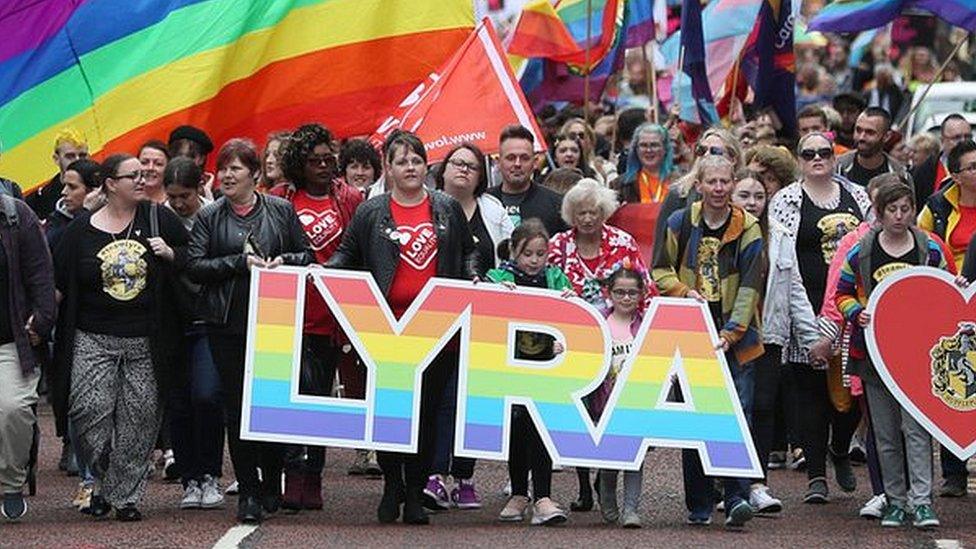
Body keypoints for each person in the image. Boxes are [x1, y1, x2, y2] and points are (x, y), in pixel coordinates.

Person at [326, 131, 479, 525]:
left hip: (437, 330)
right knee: (391, 413)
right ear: (389, 169)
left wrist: (475, 277)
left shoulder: (445, 207)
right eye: (401, 161)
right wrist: (320, 273)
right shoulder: (370, 212)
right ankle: (391, 485)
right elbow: (346, 255)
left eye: (416, 160)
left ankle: (414, 491)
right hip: (383, 331)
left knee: (426, 413)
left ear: (425, 166)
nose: (410, 168)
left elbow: (469, 252)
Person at [53, 153, 189, 521]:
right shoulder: (79, 231)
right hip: (92, 337)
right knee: (88, 411)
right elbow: (57, 283)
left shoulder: (160, 219)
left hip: (146, 338)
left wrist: (172, 253)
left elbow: (192, 256)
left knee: (141, 418)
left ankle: (122, 497)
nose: (143, 180)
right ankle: (102, 473)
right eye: (134, 176)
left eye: (145, 175)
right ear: (111, 184)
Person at [186, 138, 314, 524]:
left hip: (274, 319)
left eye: (235, 168)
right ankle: (249, 490)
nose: (226, 175)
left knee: (270, 403)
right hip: (226, 323)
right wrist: (238, 263)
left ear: (255, 175)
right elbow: (194, 265)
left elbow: (305, 254)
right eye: (223, 168)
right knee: (238, 407)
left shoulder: (280, 210)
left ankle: (272, 477)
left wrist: (281, 261)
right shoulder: (211, 216)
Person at [652, 154, 764, 529]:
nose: (718, 189)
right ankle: (699, 503)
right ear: (698, 185)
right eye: (711, 182)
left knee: (736, 415)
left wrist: (731, 333)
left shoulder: (748, 227)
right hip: (690, 332)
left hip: (736, 336)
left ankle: (736, 497)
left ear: (733, 184)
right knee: (695, 417)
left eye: (724, 182)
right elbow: (659, 270)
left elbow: (750, 286)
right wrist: (684, 292)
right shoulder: (679, 222)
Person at [836, 179, 951, 529]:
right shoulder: (861, 251)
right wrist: (858, 311)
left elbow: (946, 288)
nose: (900, 216)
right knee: (884, 433)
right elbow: (841, 293)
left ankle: (922, 502)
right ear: (879, 212)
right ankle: (895, 501)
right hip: (875, 354)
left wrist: (954, 290)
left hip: (917, 354)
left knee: (916, 430)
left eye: (906, 209)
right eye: (892, 210)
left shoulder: (929, 249)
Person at [767, 132, 872, 504]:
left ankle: (841, 450)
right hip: (804, 307)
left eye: (824, 153)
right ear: (799, 158)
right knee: (809, 394)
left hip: (851, 310)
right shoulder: (785, 201)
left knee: (847, 397)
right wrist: (808, 324)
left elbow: (870, 247)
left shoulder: (858, 196)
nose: (817, 159)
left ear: (834, 157)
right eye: (808, 153)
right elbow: (785, 263)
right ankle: (815, 476)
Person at [276, 123, 363, 512]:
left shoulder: (350, 199)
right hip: (288, 314)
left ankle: (314, 474)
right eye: (315, 161)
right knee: (290, 397)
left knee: (320, 395)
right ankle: (290, 472)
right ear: (299, 164)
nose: (325, 166)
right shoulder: (280, 199)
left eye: (330, 159)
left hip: (332, 315)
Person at [489, 219, 570, 526]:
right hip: (511, 369)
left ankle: (544, 497)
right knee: (516, 434)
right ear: (513, 252)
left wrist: (565, 339)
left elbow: (575, 316)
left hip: (545, 371)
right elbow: (481, 304)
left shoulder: (556, 278)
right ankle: (519, 493)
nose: (534, 261)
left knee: (541, 432)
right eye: (527, 254)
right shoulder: (500, 276)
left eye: (540, 253)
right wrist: (496, 291)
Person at [159, 158, 224, 512]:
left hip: (208, 320)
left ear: (200, 187)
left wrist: (176, 255)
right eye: (173, 196)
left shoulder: (216, 216)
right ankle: (190, 478)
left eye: (184, 195)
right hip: (171, 322)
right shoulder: (157, 216)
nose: (179, 203)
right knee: (179, 404)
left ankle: (211, 473)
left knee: (207, 395)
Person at [916, 139, 976, 495]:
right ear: (955, 175)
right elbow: (923, 246)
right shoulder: (937, 206)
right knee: (955, 382)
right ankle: (953, 470)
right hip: (951, 301)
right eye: (971, 167)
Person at [0, 193, 56, 521]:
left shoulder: (15, 214)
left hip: (11, 339)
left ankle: (11, 481)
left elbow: (41, 274)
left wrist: (42, 320)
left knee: (12, 409)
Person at [591, 265, 650, 528]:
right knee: (609, 458)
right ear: (609, 293)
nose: (626, 298)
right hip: (604, 403)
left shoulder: (648, 324)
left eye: (632, 293)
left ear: (641, 294)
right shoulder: (598, 321)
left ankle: (631, 510)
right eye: (619, 292)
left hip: (637, 403)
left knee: (635, 458)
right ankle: (607, 496)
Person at [488, 125, 567, 234]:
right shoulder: (483, 202)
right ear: (498, 162)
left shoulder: (557, 204)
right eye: (511, 158)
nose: (517, 164)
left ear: (535, 162)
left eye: (524, 158)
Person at [836, 107, 911, 187]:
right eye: (858, 130)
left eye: (870, 132)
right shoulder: (837, 168)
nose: (861, 137)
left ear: (887, 136)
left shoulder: (901, 175)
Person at [27, 128, 89, 220]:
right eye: (70, 156)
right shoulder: (39, 200)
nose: (77, 161)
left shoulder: (103, 190)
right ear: (56, 159)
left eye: (82, 156)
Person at [913, 114, 972, 203]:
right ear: (942, 140)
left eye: (967, 136)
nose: (963, 142)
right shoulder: (926, 170)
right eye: (956, 137)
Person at [614, 123, 675, 204]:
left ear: (665, 149)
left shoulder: (680, 182)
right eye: (643, 145)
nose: (649, 150)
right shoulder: (621, 185)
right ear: (636, 150)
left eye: (654, 145)